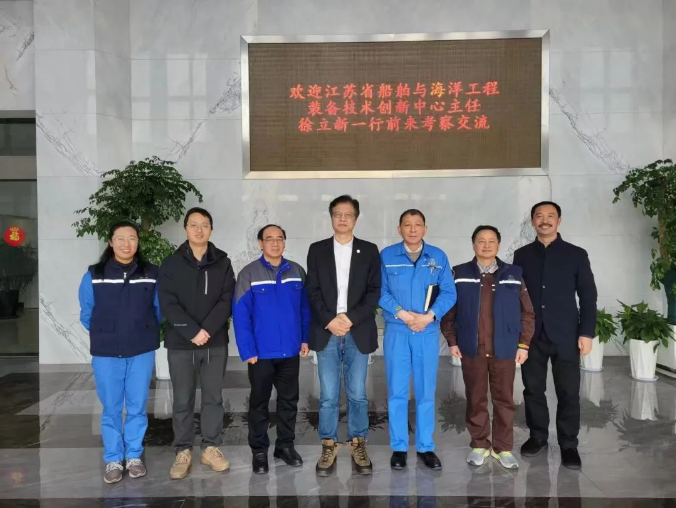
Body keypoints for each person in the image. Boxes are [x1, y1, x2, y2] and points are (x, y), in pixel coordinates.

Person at [440, 225, 535, 470]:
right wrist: (452, 340)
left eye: (491, 241)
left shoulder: (514, 274)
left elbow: (527, 312)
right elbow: (448, 310)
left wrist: (523, 344)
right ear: (473, 244)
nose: (486, 245)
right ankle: (479, 444)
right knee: (476, 398)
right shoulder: (459, 273)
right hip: (472, 348)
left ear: (498, 245)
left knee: (504, 400)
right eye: (481, 240)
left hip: (505, 348)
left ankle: (503, 448)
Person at [513, 201, 597, 470]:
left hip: (566, 335)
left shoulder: (576, 254)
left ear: (559, 221)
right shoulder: (522, 255)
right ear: (533, 221)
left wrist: (586, 332)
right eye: (539, 216)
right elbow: (516, 296)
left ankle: (568, 444)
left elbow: (588, 295)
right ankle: (537, 436)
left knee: (568, 392)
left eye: (550, 216)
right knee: (533, 389)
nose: (545, 220)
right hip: (532, 335)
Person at [78, 221, 162, 484]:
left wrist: (142, 329)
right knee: (111, 407)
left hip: (141, 350)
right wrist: (108, 331)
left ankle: (134, 455)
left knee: (137, 405)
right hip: (106, 352)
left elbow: (159, 310)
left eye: (132, 238)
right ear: (111, 242)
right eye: (121, 238)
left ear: (138, 242)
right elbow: (86, 313)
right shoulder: (94, 274)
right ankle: (114, 458)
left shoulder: (151, 273)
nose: (127, 244)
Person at [306, 195, 381, 477]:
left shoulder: (369, 251)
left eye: (348, 214)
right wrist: (330, 320)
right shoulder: (317, 250)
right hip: (327, 329)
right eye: (337, 214)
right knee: (327, 395)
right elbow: (312, 290)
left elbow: (374, 291)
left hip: (356, 329)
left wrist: (349, 319)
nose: (342, 219)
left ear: (356, 219)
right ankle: (328, 444)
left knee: (358, 394)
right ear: (331, 217)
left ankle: (358, 442)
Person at [158, 207, 236, 479]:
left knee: (214, 397)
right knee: (182, 398)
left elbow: (227, 299)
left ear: (211, 229)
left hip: (214, 342)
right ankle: (183, 450)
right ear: (186, 229)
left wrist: (207, 330)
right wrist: (192, 331)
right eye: (194, 225)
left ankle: (211, 447)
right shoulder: (170, 264)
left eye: (204, 225)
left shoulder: (223, 262)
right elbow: (168, 302)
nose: (199, 230)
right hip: (181, 342)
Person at [379, 209, 457, 471]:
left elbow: (449, 292)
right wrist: (402, 314)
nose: (412, 229)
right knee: (397, 391)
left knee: (426, 391)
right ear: (399, 229)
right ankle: (399, 448)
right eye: (407, 225)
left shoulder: (438, 256)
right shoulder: (387, 256)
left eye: (418, 224)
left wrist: (430, 316)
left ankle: (425, 447)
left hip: (426, 331)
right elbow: (379, 290)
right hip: (397, 331)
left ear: (425, 228)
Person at [233, 224, 311, 474]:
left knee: (289, 401)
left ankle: (285, 446)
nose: (275, 243)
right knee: (259, 402)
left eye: (279, 239)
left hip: (290, 351)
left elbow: (305, 309)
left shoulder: (297, 271)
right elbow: (241, 315)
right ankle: (259, 451)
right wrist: (247, 350)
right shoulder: (248, 274)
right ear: (260, 243)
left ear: (284, 242)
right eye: (269, 239)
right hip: (261, 354)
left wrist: (305, 338)